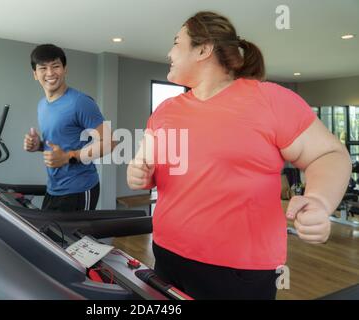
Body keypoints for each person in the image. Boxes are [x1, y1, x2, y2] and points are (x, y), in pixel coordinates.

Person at [127, 11, 351, 299]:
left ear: (204, 49)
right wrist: (140, 172)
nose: (169, 52)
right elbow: (149, 169)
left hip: (237, 271)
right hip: (167, 254)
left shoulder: (270, 100)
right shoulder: (165, 110)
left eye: (176, 42)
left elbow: (330, 154)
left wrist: (319, 201)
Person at [25, 44, 113, 212]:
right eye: (43, 68)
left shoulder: (80, 102)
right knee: (48, 238)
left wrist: (68, 157)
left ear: (65, 69)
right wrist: (39, 146)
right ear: (35, 74)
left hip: (80, 188)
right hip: (54, 188)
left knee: (75, 239)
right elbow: (61, 143)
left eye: (56, 66)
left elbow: (110, 143)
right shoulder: (42, 105)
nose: (50, 73)